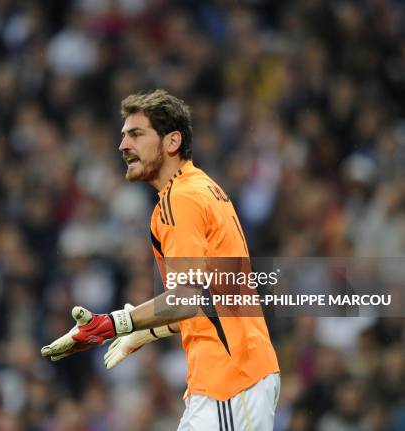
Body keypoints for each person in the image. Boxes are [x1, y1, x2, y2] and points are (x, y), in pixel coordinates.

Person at [41, 89, 280, 430]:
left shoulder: (179, 200)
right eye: (123, 136)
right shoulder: (200, 187)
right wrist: (146, 332)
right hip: (236, 376)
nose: (123, 146)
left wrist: (114, 323)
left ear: (171, 142)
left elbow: (188, 298)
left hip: (229, 379)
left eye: (136, 134)